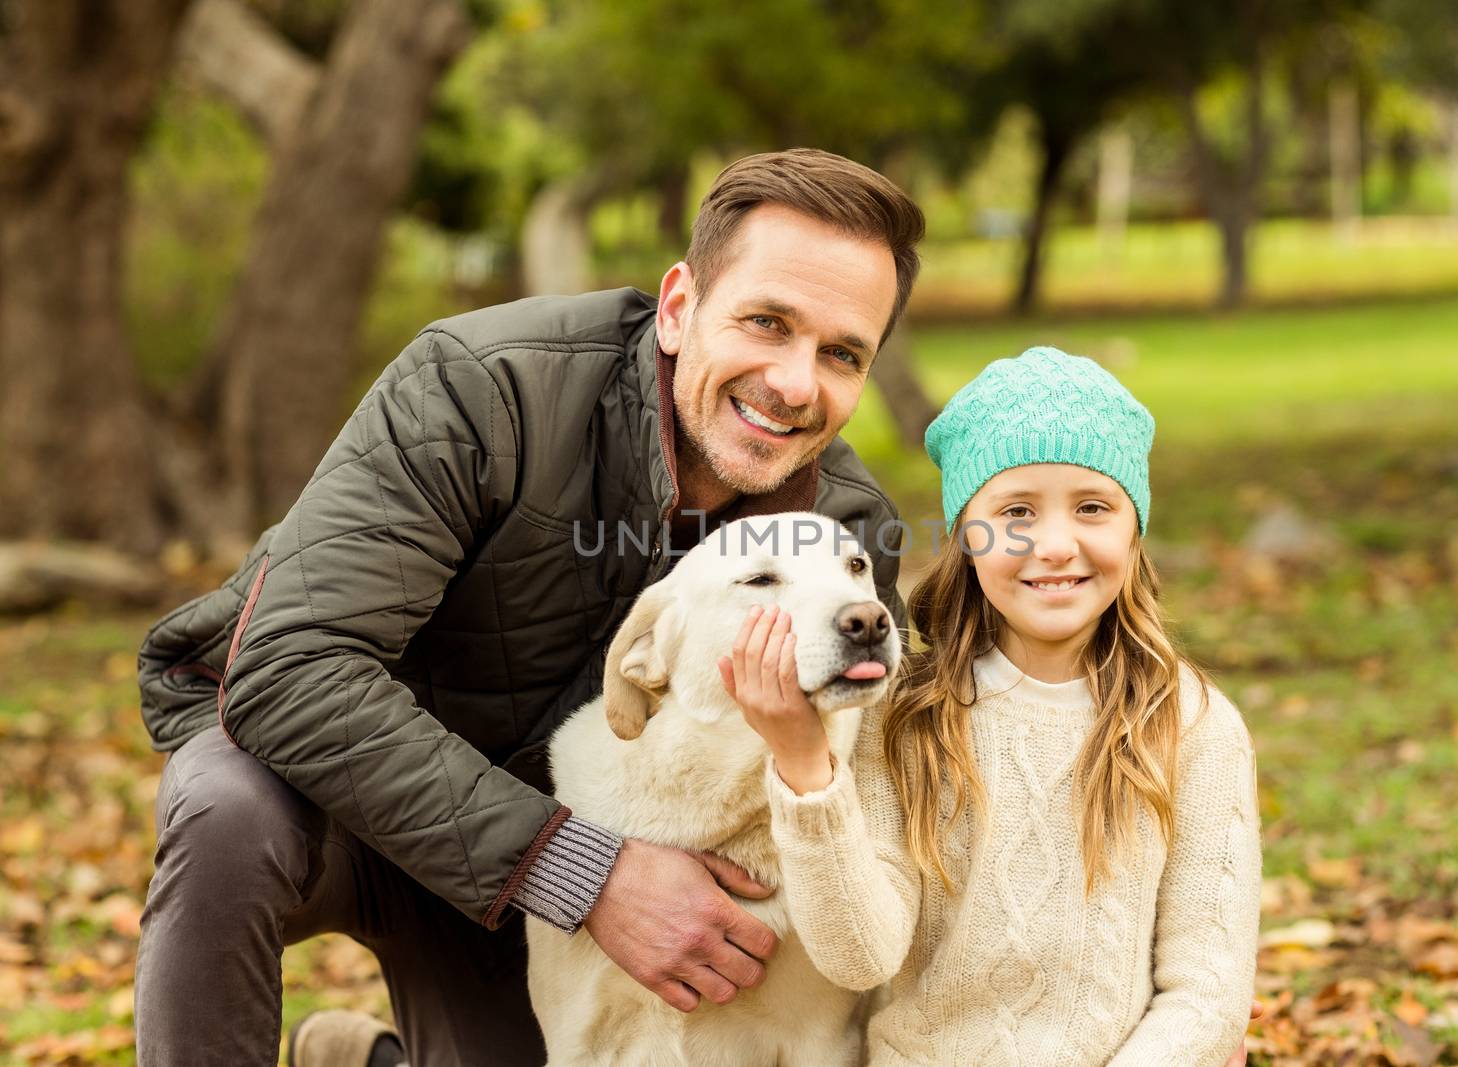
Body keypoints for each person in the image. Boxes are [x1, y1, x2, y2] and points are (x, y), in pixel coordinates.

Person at [132, 148, 924, 1067]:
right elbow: (287, 664)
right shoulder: (483, 386)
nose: (794, 382)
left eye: (840, 353)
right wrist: (583, 871)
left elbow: (885, 770)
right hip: (339, 803)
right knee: (226, 808)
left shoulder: (846, 530)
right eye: (766, 322)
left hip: (531, 875)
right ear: (678, 308)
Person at [722, 347, 1262, 1065]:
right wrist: (802, 760)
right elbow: (861, 956)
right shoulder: (905, 717)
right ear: (966, 536)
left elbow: (1207, 995)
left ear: (1135, 529)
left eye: (1094, 507)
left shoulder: (1192, 725)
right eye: (1015, 512)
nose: (1055, 544)